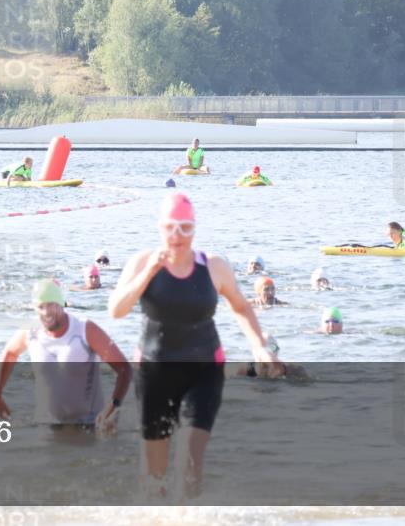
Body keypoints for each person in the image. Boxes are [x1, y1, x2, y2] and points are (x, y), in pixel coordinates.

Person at [108, 192, 281, 498]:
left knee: (190, 460)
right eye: (171, 227)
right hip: (154, 374)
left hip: (204, 372)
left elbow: (241, 306)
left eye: (185, 228)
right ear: (160, 227)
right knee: (155, 473)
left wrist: (258, 345)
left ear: (195, 229)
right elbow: (116, 310)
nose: (177, 236)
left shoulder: (213, 266)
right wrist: (149, 272)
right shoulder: (141, 262)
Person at [0, 279, 130, 435]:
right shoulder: (30, 332)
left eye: (51, 305)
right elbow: (10, 354)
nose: (46, 312)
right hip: (46, 424)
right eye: (40, 307)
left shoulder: (84, 329)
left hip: (89, 425)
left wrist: (114, 405)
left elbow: (124, 368)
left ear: (61, 304)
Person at [235, 334, 308, 380]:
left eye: (272, 348)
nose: (268, 354)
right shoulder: (243, 370)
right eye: (264, 349)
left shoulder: (294, 370)